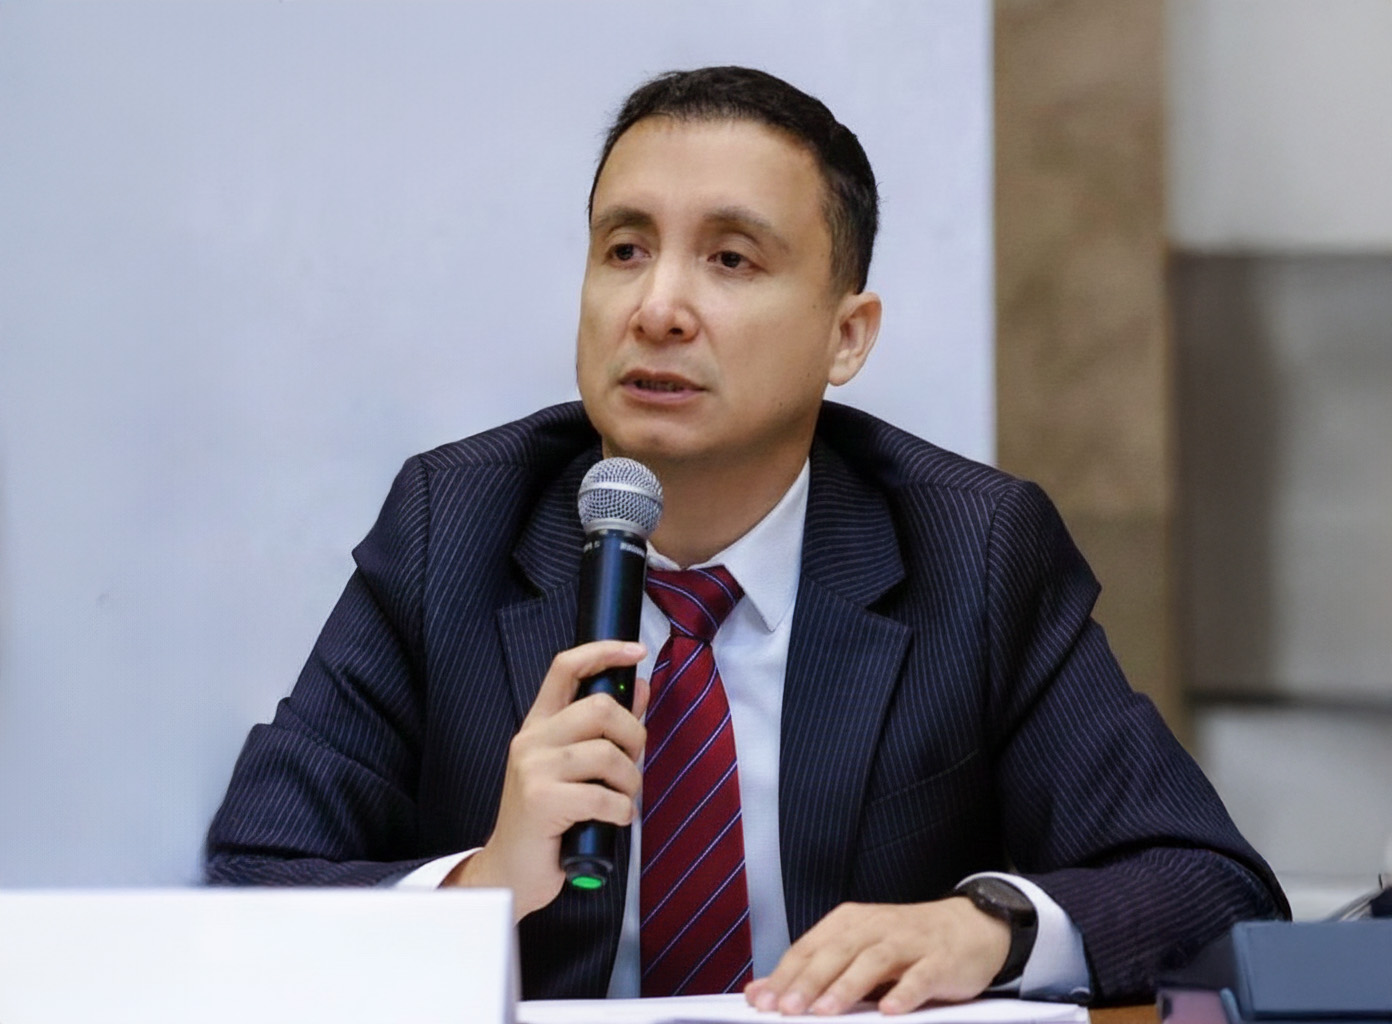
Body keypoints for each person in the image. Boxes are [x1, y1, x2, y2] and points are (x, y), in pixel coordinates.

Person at [205, 66, 1286, 1014]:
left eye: (729, 259)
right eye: (625, 249)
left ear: (846, 336)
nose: (658, 308)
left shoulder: (973, 551)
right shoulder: (455, 525)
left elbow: (1209, 884)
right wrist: (480, 888)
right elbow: (253, 876)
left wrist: (985, 928)